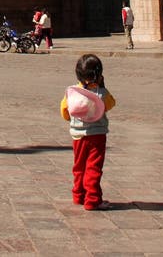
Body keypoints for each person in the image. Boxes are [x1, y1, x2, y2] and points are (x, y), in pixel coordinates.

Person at [60, 53, 116, 211]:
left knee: (79, 166)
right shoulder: (101, 93)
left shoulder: (72, 92)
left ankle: (78, 195)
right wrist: (103, 87)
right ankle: (92, 199)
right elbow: (111, 104)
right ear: (99, 75)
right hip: (97, 136)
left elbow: (64, 112)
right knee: (93, 167)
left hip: (77, 136)